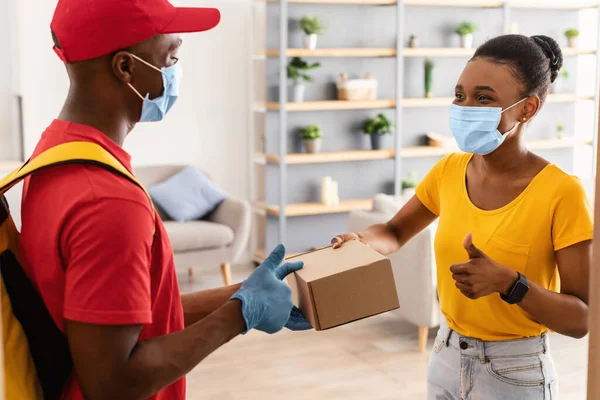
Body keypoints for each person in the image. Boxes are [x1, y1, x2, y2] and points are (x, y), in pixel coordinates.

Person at [18, 0, 310, 399]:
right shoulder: (108, 201)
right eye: (171, 56)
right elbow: (111, 384)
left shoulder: (56, 153)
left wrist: (241, 292)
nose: (177, 70)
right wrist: (240, 315)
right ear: (125, 68)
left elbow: (124, 317)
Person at [332, 34, 592, 400]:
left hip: (515, 373)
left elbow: (581, 319)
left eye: (484, 98)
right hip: (445, 358)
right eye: (460, 95)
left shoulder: (562, 192)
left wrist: (510, 283)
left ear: (527, 108)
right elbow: (393, 231)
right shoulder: (449, 170)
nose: (465, 107)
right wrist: (363, 241)